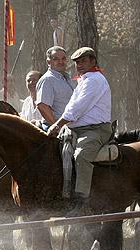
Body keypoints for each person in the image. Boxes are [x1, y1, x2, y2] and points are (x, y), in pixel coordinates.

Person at [47, 47, 111, 201]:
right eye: (77, 62)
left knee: (81, 156)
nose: (80, 65)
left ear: (93, 61)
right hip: (76, 129)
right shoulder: (84, 80)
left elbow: (77, 108)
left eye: (83, 61)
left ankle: (82, 202)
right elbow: (71, 107)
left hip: (95, 130)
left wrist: (57, 125)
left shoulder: (95, 80)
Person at [36, 46, 76, 131]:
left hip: (69, 127)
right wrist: (57, 127)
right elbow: (43, 106)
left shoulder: (67, 78)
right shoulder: (48, 80)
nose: (61, 62)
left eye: (63, 58)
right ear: (48, 62)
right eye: (56, 59)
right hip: (56, 129)